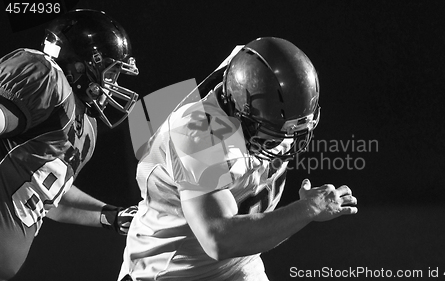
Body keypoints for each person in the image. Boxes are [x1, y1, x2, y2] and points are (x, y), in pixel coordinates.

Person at [119, 37, 358, 281]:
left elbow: (257, 63)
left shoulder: (260, 92)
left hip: (238, 266)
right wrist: (309, 207)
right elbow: (219, 240)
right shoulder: (197, 132)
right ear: (239, 111)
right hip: (171, 272)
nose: (286, 140)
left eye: (294, 131)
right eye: (274, 131)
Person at [0, 9, 139, 280]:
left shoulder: (86, 128)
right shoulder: (45, 76)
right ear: (82, 64)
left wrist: (111, 216)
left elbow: (51, 198)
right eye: (110, 74)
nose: (113, 85)